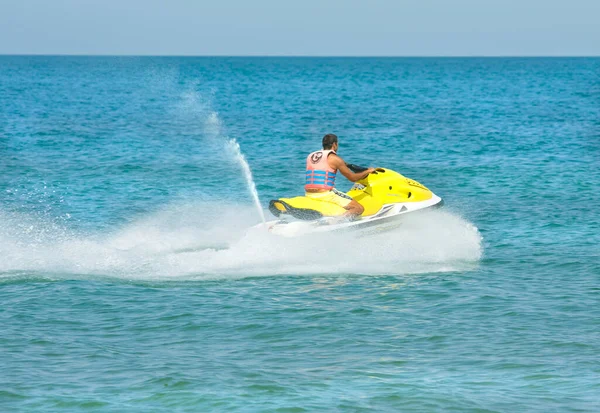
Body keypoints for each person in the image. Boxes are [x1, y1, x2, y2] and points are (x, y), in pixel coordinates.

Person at [305, 133, 375, 218]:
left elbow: (325, 165)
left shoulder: (311, 156)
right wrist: (368, 171)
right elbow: (352, 178)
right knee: (359, 208)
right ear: (335, 144)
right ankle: (337, 222)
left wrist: (345, 164)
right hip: (325, 194)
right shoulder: (335, 159)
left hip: (309, 193)